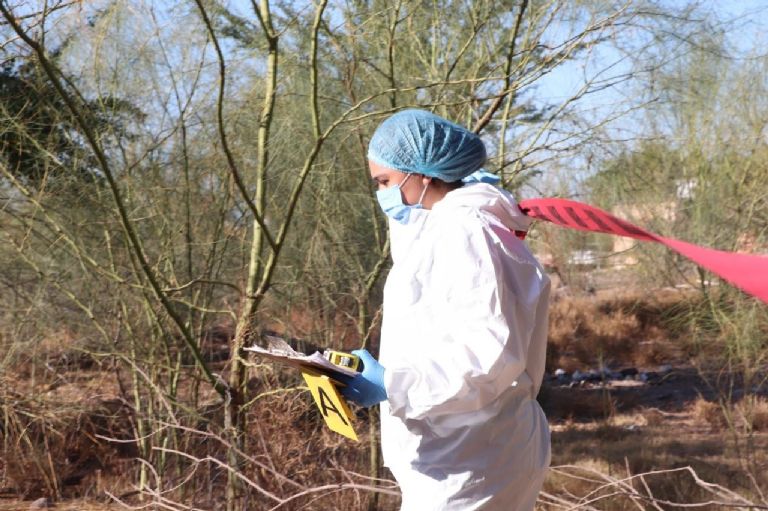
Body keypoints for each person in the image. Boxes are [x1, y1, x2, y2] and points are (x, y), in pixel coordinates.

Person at [341, 109, 551, 511]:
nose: (382, 194)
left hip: (472, 463)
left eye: (384, 181)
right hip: (462, 455)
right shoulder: (450, 228)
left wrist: (394, 385)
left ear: (422, 173)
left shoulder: (468, 231)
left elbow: (488, 357)